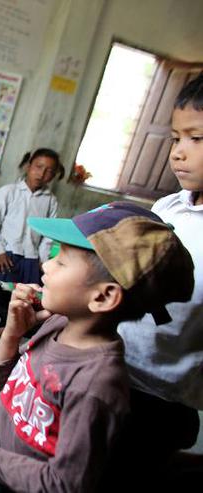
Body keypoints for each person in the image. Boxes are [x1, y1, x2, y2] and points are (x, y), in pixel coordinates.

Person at [0, 202, 194, 493]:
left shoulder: (96, 385)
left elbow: (65, 483)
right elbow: (9, 391)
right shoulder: (57, 325)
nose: (46, 266)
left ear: (102, 297)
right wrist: (13, 334)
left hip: (15, 482)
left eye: (62, 261)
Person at [110, 73, 203, 489]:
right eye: (175, 138)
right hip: (114, 365)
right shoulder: (168, 208)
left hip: (167, 394)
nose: (178, 153)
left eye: (195, 139)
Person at [0, 148, 65, 285]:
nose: (42, 174)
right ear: (28, 165)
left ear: (54, 175)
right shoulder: (8, 192)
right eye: (39, 166)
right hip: (3, 256)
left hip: (32, 260)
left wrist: (42, 260)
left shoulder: (51, 201)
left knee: (26, 300)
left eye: (49, 171)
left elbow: (48, 235)